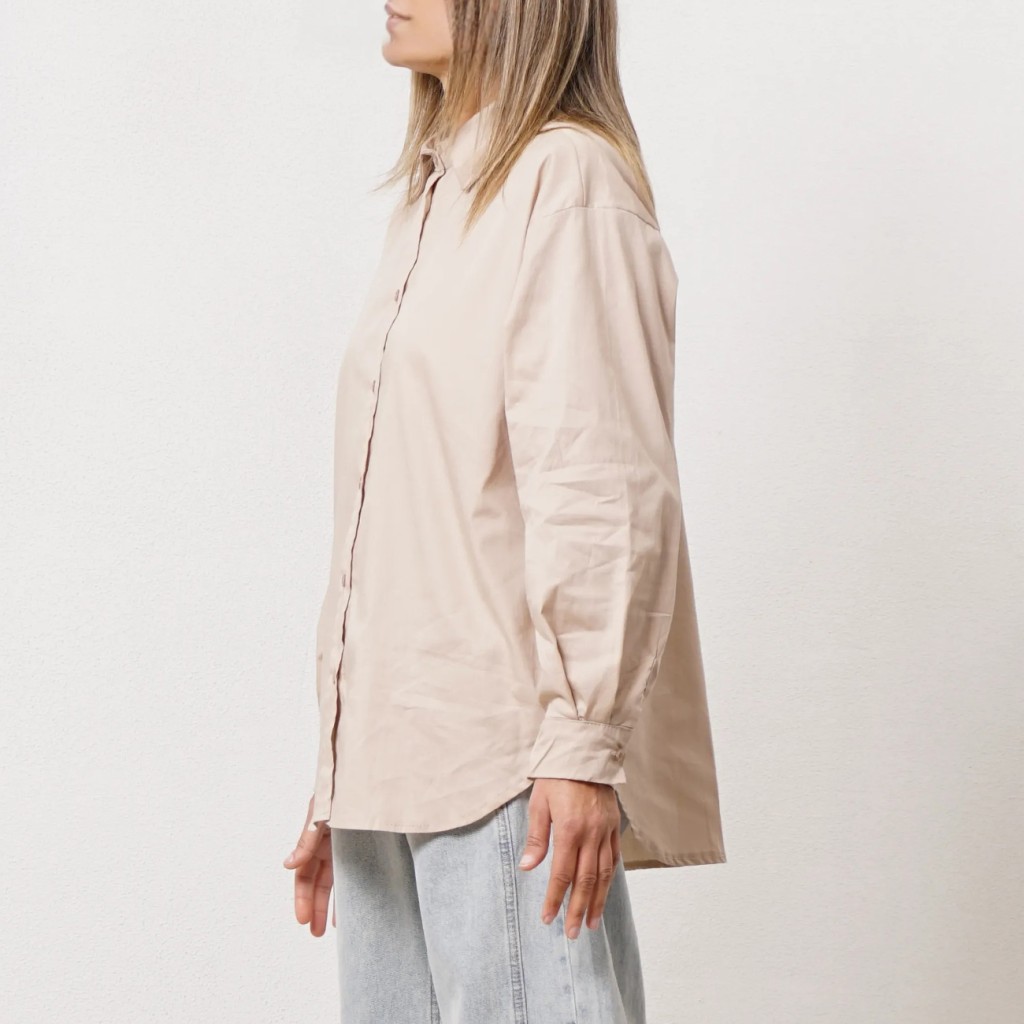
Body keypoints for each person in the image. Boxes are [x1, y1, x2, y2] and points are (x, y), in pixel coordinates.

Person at [283, 1, 726, 1020]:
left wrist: (583, 739)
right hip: (395, 766)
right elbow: (415, 518)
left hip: (506, 761)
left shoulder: (566, 182)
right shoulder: (437, 193)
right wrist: (343, 767)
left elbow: (601, 485)